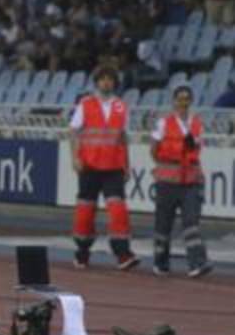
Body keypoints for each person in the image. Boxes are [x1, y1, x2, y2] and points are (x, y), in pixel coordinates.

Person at [68, 64, 139, 270]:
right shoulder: (86, 104)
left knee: (118, 210)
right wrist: (75, 158)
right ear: (97, 82)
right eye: (103, 79)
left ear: (114, 83)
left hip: (114, 167)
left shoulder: (121, 107)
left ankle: (122, 252)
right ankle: (82, 251)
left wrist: (127, 164)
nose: (106, 82)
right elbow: (73, 132)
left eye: (110, 79)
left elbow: (123, 138)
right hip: (89, 165)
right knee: (85, 211)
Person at [149, 86, 213, 277]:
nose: (183, 102)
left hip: (191, 181)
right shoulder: (163, 123)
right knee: (163, 224)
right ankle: (160, 263)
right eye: (180, 99)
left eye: (186, 99)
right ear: (174, 101)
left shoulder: (197, 124)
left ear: (191, 101)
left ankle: (197, 263)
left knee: (191, 222)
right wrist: (165, 161)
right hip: (168, 180)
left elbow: (198, 148)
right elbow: (153, 149)